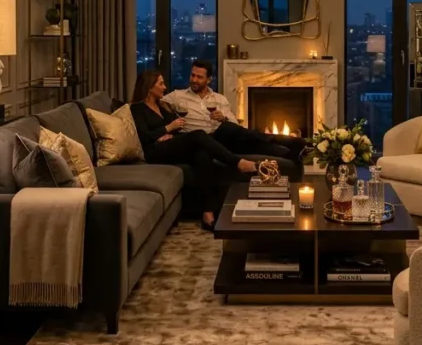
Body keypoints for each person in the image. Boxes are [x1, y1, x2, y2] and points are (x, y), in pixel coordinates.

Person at [130, 70, 257, 231]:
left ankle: (208, 213)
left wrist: (169, 132)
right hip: (154, 152)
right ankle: (237, 162)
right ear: (149, 87)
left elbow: (175, 128)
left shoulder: (161, 106)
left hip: (170, 146)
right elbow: (144, 136)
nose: (165, 87)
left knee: (202, 155)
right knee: (198, 135)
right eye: (161, 84)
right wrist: (167, 129)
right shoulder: (137, 108)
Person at [162, 60, 306, 162]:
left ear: (209, 79)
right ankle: (286, 142)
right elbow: (154, 105)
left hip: (221, 138)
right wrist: (166, 130)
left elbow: (235, 125)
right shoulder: (176, 96)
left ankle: (290, 152)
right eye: (192, 75)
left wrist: (223, 118)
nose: (194, 80)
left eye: (199, 77)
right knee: (237, 138)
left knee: (232, 130)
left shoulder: (219, 99)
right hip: (198, 140)